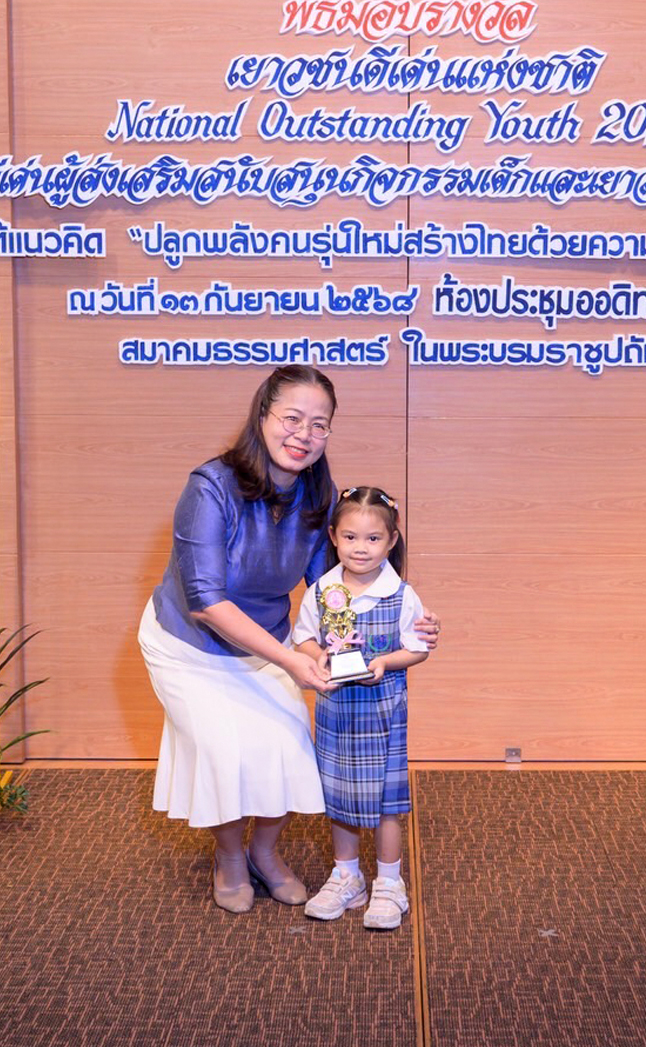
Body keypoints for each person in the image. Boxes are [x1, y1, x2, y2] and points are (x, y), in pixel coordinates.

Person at [137, 366, 438, 914]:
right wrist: (292, 661)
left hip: (267, 643)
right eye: (292, 419)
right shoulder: (210, 487)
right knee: (226, 751)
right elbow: (205, 600)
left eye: (319, 425)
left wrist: (401, 621)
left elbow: (335, 591)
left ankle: (264, 852)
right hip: (188, 645)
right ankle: (230, 857)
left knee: (289, 746)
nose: (304, 435)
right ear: (263, 416)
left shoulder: (318, 493)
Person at [293, 486, 428, 931]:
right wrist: (319, 656)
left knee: (387, 802)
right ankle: (347, 877)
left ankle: (389, 882)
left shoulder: (401, 594)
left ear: (391, 540)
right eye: (350, 537)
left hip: (383, 711)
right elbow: (303, 637)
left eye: (373, 538)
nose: (361, 548)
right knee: (340, 796)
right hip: (336, 709)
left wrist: (386, 662)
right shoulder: (322, 590)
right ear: (334, 536)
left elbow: (418, 648)